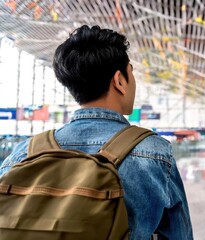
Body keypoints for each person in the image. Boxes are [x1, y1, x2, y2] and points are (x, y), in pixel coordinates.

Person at [0, 25, 193, 239]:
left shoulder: (23, 153)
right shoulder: (154, 152)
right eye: (131, 73)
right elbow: (179, 234)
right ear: (120, 80)